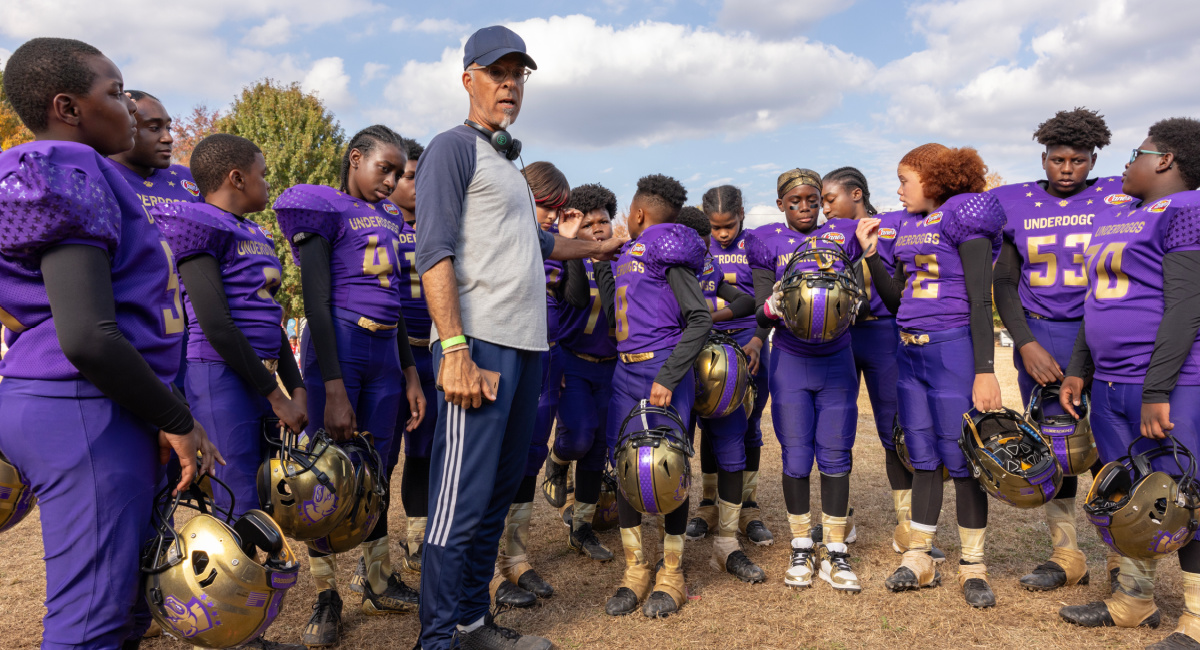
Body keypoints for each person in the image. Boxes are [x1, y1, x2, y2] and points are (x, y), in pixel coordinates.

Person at [0, 37, 221, 649]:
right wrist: (175, 415)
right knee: (89, 622)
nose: (127, 107)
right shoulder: (66, 168)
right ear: (67, 107)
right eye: (116, 93)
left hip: (69, 398)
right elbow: (88, 337)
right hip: (85, 404)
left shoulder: (61, 169)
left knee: (124, 608)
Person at [413, 25, 624, 650]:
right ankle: (437, 640)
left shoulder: (503, 161)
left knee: (494, 494)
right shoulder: (451, 149)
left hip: (527, 348)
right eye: (497, 72)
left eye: (519, 74)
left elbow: (535, 243)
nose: (509, 84)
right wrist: (453, 349)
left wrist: (596, 244)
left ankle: (473, 625)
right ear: (468, 79)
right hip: (476, 343)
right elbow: (434, 252)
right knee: (459, 499)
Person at [152, 132, 307, 650]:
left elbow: (270, 317)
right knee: (232, 501)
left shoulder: (252, 231)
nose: (268, 181)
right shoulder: (199, 223)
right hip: (217, 374)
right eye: (262, 172)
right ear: (236, 177)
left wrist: (297, 384)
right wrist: (275, 394)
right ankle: (227, 634)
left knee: (252, 500)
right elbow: (218, 326)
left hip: (254, 375)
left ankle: (241, 629)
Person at [274, 124, 425, 647]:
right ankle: (326, 594)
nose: (391, 181)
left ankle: (379, 579)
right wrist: (332, 386)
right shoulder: (322, 207)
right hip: (337, 345)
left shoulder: (387, 216)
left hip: (385, 353)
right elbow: (314, 300)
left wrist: (409, 372)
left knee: (375, 472)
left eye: (398, 172)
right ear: (355, 158)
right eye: (384, 168)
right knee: (324, 475)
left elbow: (399, 308)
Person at [1056, 118, 1200, 649]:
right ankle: (1134, 601)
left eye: (1137, 151)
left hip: (1167, 380)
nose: (1126, 161)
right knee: (1129, 495)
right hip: (1110, 378)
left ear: (1164, 160)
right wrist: (1078, 368)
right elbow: (1095, 302)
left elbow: (1187, 308)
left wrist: (1159, 389)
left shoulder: (1188, 208)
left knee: (1181, 494)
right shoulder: (1123, 214)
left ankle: (1196, 615)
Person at [855, 144, 1006, 608]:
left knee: (963, 461)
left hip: (953, 350)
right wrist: (873, 256)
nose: (898, 191)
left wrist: (985, 371)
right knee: (921, 456)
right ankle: (919, 556)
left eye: (905, 180)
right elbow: (898, 300)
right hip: (911, 351)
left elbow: (982, 301)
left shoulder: (966, 214)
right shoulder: (913, 226)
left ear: (936, 178)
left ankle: (973, 565)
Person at [989, 108, 1117, 593]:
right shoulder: (1013, 201)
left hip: (1099, 333)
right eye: (1059, 159)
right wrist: (1024, 343)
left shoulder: (1117, 195)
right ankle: (1067, 554)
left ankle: (1118, 557)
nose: (1067, 169)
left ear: (1093, 159)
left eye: (1078, 160)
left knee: (1109, 448)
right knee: (1057, 446)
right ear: (1043, 158)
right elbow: (1004, 280)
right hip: (1040, 337)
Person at [592, 175, 710, 618]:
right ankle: (636, 569)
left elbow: (699, 319)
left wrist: (670, 373)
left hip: (662, 370)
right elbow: (612, 309)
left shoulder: (666, 249)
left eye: (627, 214)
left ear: (639, 213)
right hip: (626, 369)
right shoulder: (632, 254)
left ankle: (672, 572)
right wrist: (605, 258)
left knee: (668, 464)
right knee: (626, 462)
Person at [821, 167, 945, 563]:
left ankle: (908, 524)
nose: (825, 209)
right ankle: (838, 518)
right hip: (839, 336)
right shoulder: (824, 235)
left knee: (896, 429)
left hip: (883, 332)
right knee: (835, 428)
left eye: (830, 199)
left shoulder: (894, 225)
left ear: (856, 194)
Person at [749, 169, 863, 592]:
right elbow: (759, 316)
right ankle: (801, 544)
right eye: (793, 201)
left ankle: (835, 549)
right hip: (792, 360)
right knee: (796, 456)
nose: (803, 208)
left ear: (821, 202)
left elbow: (862, 306)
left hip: (836, 359)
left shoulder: (844, 235)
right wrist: (775, 304)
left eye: (811, 201)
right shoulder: (766, 240)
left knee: (836, 455)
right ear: (780, 204)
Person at [489, 161, 573, 607]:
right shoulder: (497, 230)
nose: (552, 216)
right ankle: (485, 572)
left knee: (530, 456)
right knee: (492, 461)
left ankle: (516, 558)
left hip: (545, 354)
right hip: (503, 353)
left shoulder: (551, 242)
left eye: (559, 209)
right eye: (547, 206)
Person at [675, 206, 764, 583]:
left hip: (715, 365)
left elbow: (744, 301)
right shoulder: (661, 269)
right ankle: (671, 551)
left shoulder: (708, 268)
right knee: (673, 451)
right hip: (676, 367)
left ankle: (726, 544)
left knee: (732, 446)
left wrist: (707, 319)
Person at [690, 185, 774, 548]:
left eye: (730, 225)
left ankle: (747, 506)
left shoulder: (754, 244)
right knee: (711, 421)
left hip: (747, 340)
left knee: (749, 422)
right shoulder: (696, 244)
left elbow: (763, 299)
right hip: (705, 341)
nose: (723, 233)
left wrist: (757, 339)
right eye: (715, 227)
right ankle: (709, 504)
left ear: (742, 212)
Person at [108, 89, 202, 390]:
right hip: (135, 330)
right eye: (154, 127)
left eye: (169, 127)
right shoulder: (101, 176)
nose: (168, 137)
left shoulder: (186, 181)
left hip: (197, 331)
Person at [552, 183, 620, 563]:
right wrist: (577, 252)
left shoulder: (624, 259)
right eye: (588, 223)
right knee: (578, 438)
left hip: (610, 367)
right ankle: (559, 459)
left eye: (603, 221)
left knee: (598, 449)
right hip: (574, 361)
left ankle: (581, 528)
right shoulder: (567, 258)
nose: (597, 229)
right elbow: (572, 300)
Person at [388, 136, 434, 575]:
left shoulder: (442, 224)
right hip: (388, 353)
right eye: (407, 176)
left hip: (434, 352)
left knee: (425, 450)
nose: (416, 184)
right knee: (383, 455)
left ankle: (418, 538)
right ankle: (374, 556)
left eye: (421, 175)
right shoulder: (378, 224)